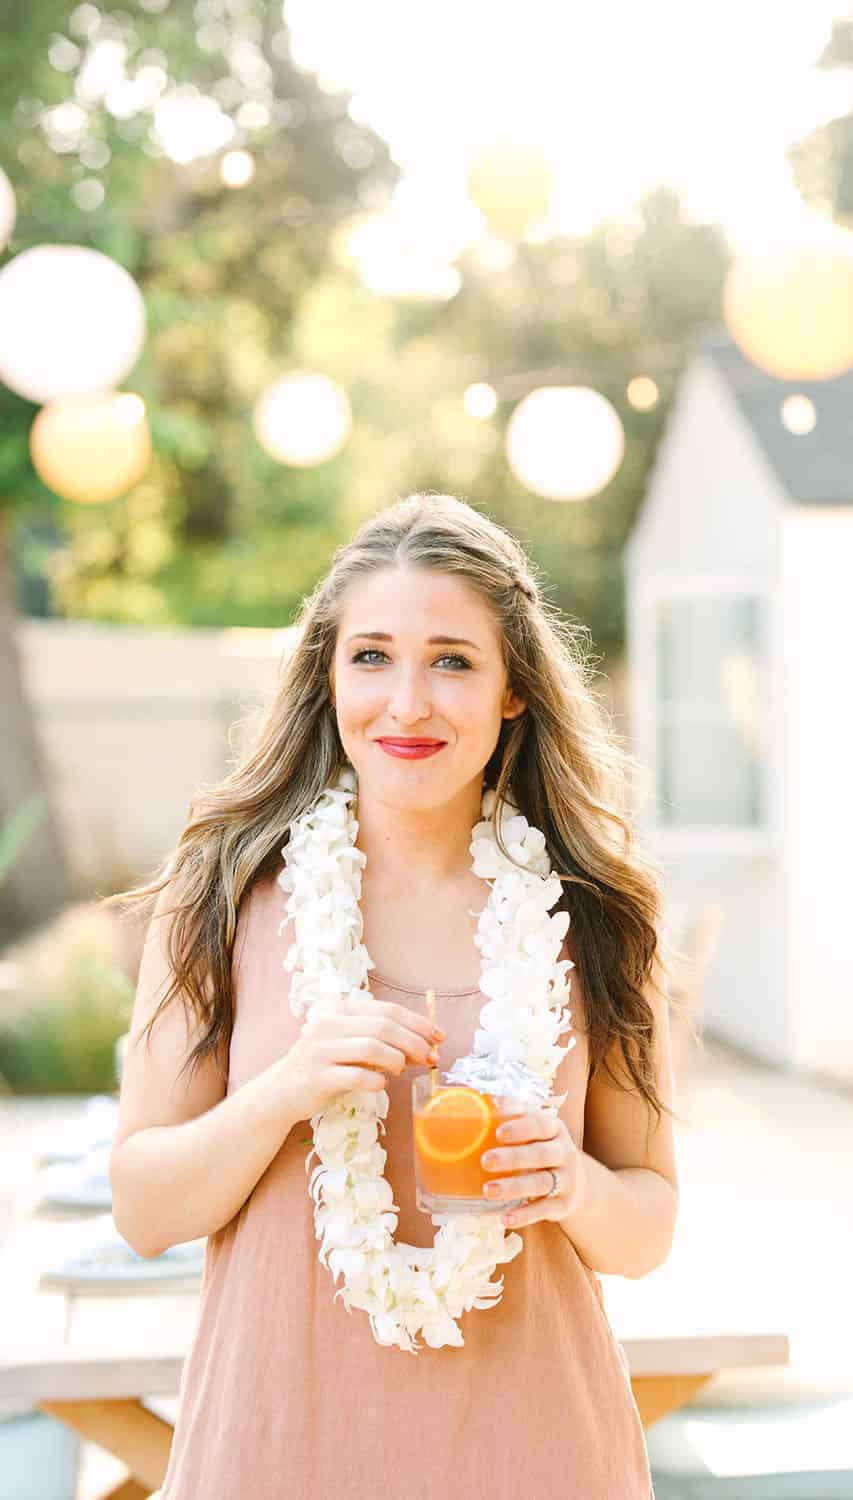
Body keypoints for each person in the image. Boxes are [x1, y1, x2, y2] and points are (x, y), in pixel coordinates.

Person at [106, 491, 681, 1500]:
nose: (407, 702)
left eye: (452, 660)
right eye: (371, 656)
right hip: (278, 1448)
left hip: (538, 1453)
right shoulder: (223, 893)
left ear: (512, 690)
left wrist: (569, 1183)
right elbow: (147, 1207)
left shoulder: (595, 915)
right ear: (328, 677)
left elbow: (648, 1223)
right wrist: (286, 1088)